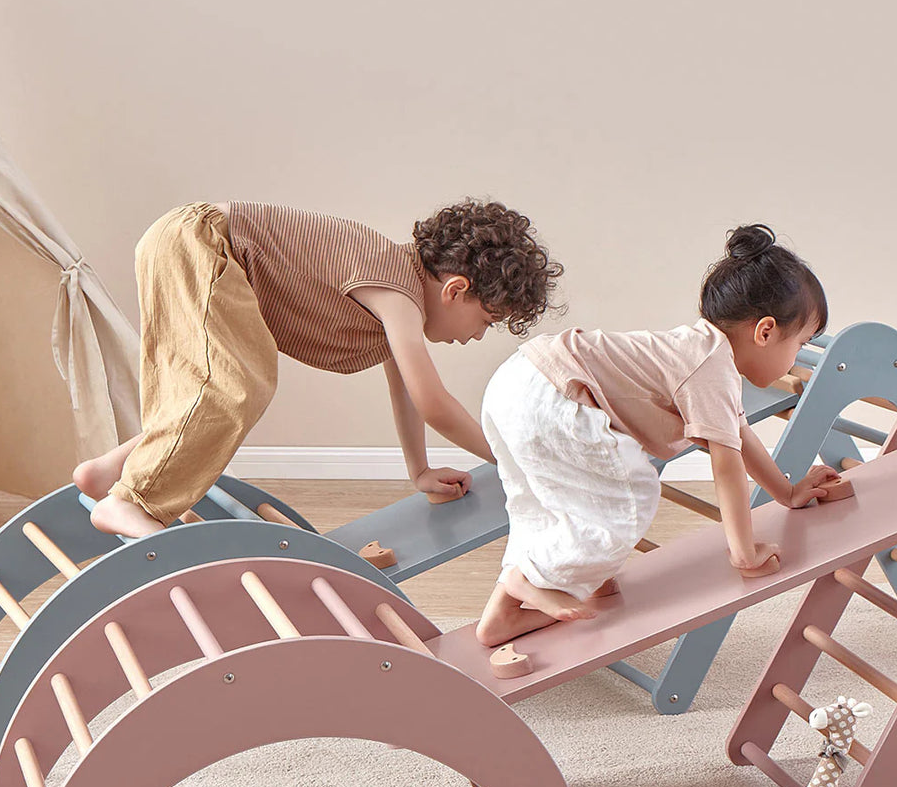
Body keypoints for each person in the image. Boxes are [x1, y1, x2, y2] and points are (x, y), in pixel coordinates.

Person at [74, 199, 563, 537]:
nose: (476, 336)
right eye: (486, 321)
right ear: (455, 290)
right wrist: (512, 461)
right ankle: (130, 501)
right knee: (231, 388)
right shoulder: (398, 292)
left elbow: (407, 392)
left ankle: (108, 471)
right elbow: (433, 403)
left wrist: (419, 470)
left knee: (216, 390)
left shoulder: (396, 291)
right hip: (202, 242)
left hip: (193, 240)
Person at [476, 223, 840, 648]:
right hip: (551, 395)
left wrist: (787, 493)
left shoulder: (702, 351)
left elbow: (739, 438)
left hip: (517, 380)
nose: (796, 359)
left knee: (543, 503)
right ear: (765, 332)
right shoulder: (712, 369)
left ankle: (509, 609)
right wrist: (745, 554)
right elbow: (727, 467)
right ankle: (524, 579)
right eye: (800, 345)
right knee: (630, 499)